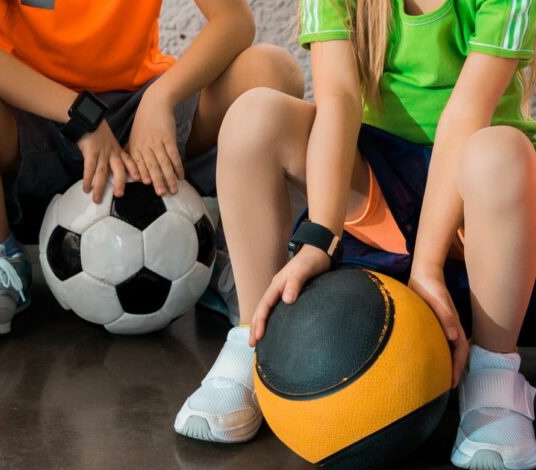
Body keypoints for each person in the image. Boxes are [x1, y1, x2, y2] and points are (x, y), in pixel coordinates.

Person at [175, 0, 536, 466]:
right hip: (376, 180)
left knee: (501, 154)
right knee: (253, 116)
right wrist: (320, 235)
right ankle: (251, 341)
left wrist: (427, 264)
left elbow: (467, 115)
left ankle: (494, 374)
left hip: (474, 197)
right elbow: (340, 100)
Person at [0, 0, 305, 337]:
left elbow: (234, 21)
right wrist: (80, 117)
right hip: (32, 108)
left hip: (138, 107)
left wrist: (160, 100)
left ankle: (233, 253)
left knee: (272, 72)